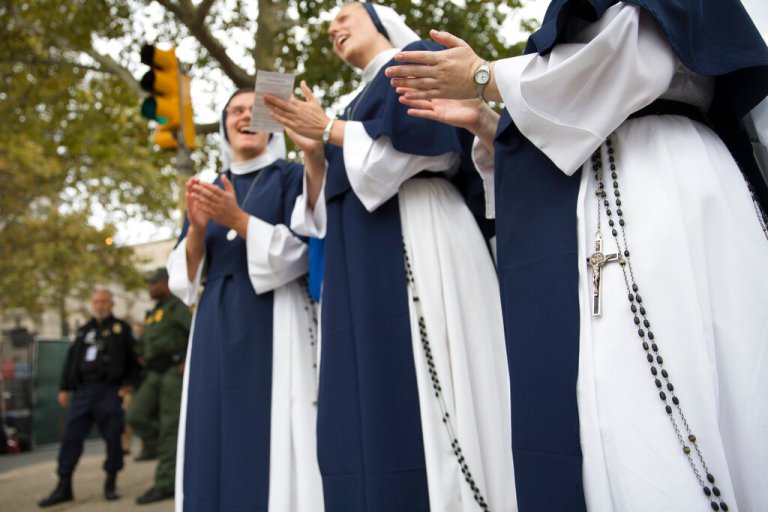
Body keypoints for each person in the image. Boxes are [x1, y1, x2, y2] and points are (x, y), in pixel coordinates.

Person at [386, 1, 768, 510]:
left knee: (660, 393)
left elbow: (630, 60)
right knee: (624, 400)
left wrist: (484, 76)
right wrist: (487, 121)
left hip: (658, 179)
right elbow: (576, 105)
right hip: (622, 179)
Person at [264, 3, 515, 510]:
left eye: (345, 14)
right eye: (328, 24)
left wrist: (329, 129)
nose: (333, 27)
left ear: (379, 19)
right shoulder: (350, 104)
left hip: (418, 231)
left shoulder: (416, 59)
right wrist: (314, 151)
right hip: (358, 258)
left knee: (434, 391)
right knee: (369, 400)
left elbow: (414, 159)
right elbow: (321, 215)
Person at [167, 88, 323, 512]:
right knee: (210, 423)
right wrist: (198, 228)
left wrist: (238, 220)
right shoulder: (208, 186)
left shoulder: (291, 175)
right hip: (215, 319)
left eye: (254, 109)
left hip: (275, 313)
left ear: (271, 121)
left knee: (270, 428)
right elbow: (183, 277)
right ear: (224, 124)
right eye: (235, 111)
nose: (245, 117)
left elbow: (305, 249)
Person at [38, 289, 138, 507]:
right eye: (96, 302)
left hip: (109, 390)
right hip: (83, 391)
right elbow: (71, 361)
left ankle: (111, 483)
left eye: (103, 301)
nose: (99, 305)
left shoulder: (121, 329)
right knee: (71, 437)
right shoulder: (84, 330)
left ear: (111, 304)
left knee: (113, 437)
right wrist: (64, 388)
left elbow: (133, 359)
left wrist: (128, 386)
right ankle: (63, 485)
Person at [127, 267, 192, 504]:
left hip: (173, 373)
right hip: (154, 373)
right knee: (136, 415)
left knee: (170, 427)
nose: (150, 288)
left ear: (166, 283)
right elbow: (146, 341)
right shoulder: (154, 312)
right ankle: (168, 451)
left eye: (154, 284)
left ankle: (165, 483)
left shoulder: (179, 307)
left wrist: (186, 360)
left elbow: (196, 330)